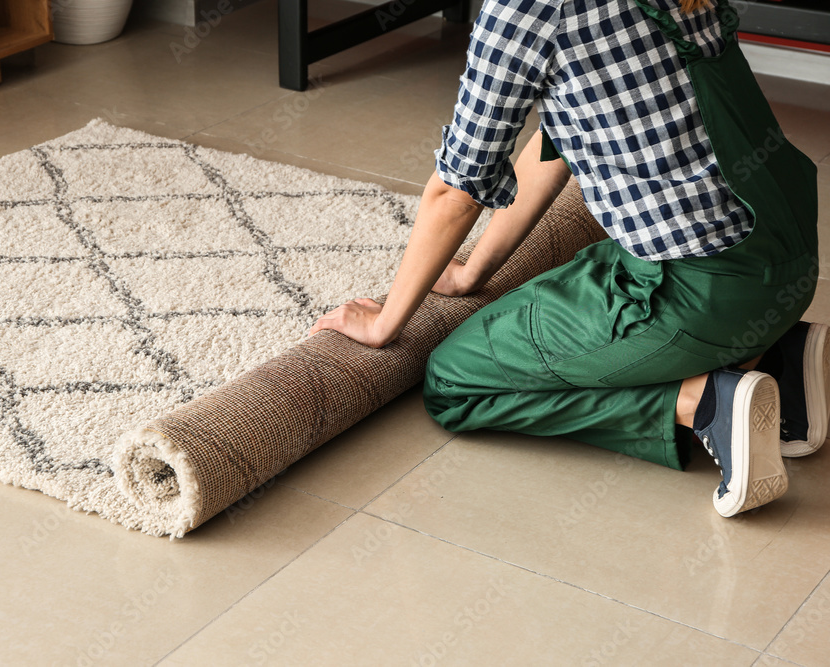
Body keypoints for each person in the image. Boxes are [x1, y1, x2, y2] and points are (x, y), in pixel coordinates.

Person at [309, 0, 825, 517]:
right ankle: (779, 355)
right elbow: (554, 140)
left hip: (700, 291)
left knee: (453, 380)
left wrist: (385, 323)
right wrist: (472, 271)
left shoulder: (529, 9)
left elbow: (456, 193)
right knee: (580, 275)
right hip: (788, 256)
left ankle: (705, 402)